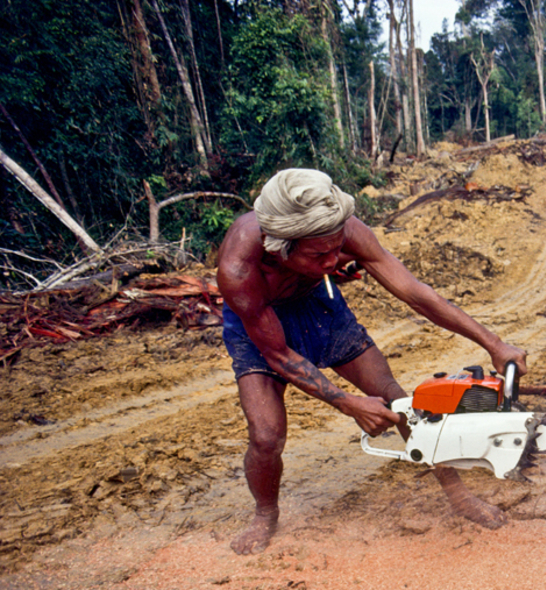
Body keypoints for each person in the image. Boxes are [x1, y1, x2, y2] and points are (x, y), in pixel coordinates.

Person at [217, 168, 528, 555]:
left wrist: (493, 343)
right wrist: (345, 402)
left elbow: (416, 294)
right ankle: (265, 513)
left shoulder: (344, 229)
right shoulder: (239, 269)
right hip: (259, 321)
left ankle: (459, 496)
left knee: (399, 402)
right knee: (266, 436)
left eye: (338, 248)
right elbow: (278, 354)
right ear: (281, 246)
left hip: (319, 305)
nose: (335, 260)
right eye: (320, 254)